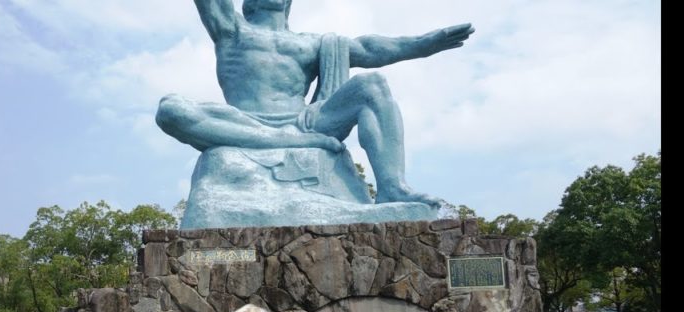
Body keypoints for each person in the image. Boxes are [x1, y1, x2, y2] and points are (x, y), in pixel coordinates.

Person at [156, 0, 473, 207]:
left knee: (372, 85)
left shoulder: (312, 43)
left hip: (306, 122)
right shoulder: (233, 29)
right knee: (170, 109)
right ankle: (281, 141)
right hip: (244, 121)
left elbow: (368, 48)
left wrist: (422, 44)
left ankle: (392, 187)